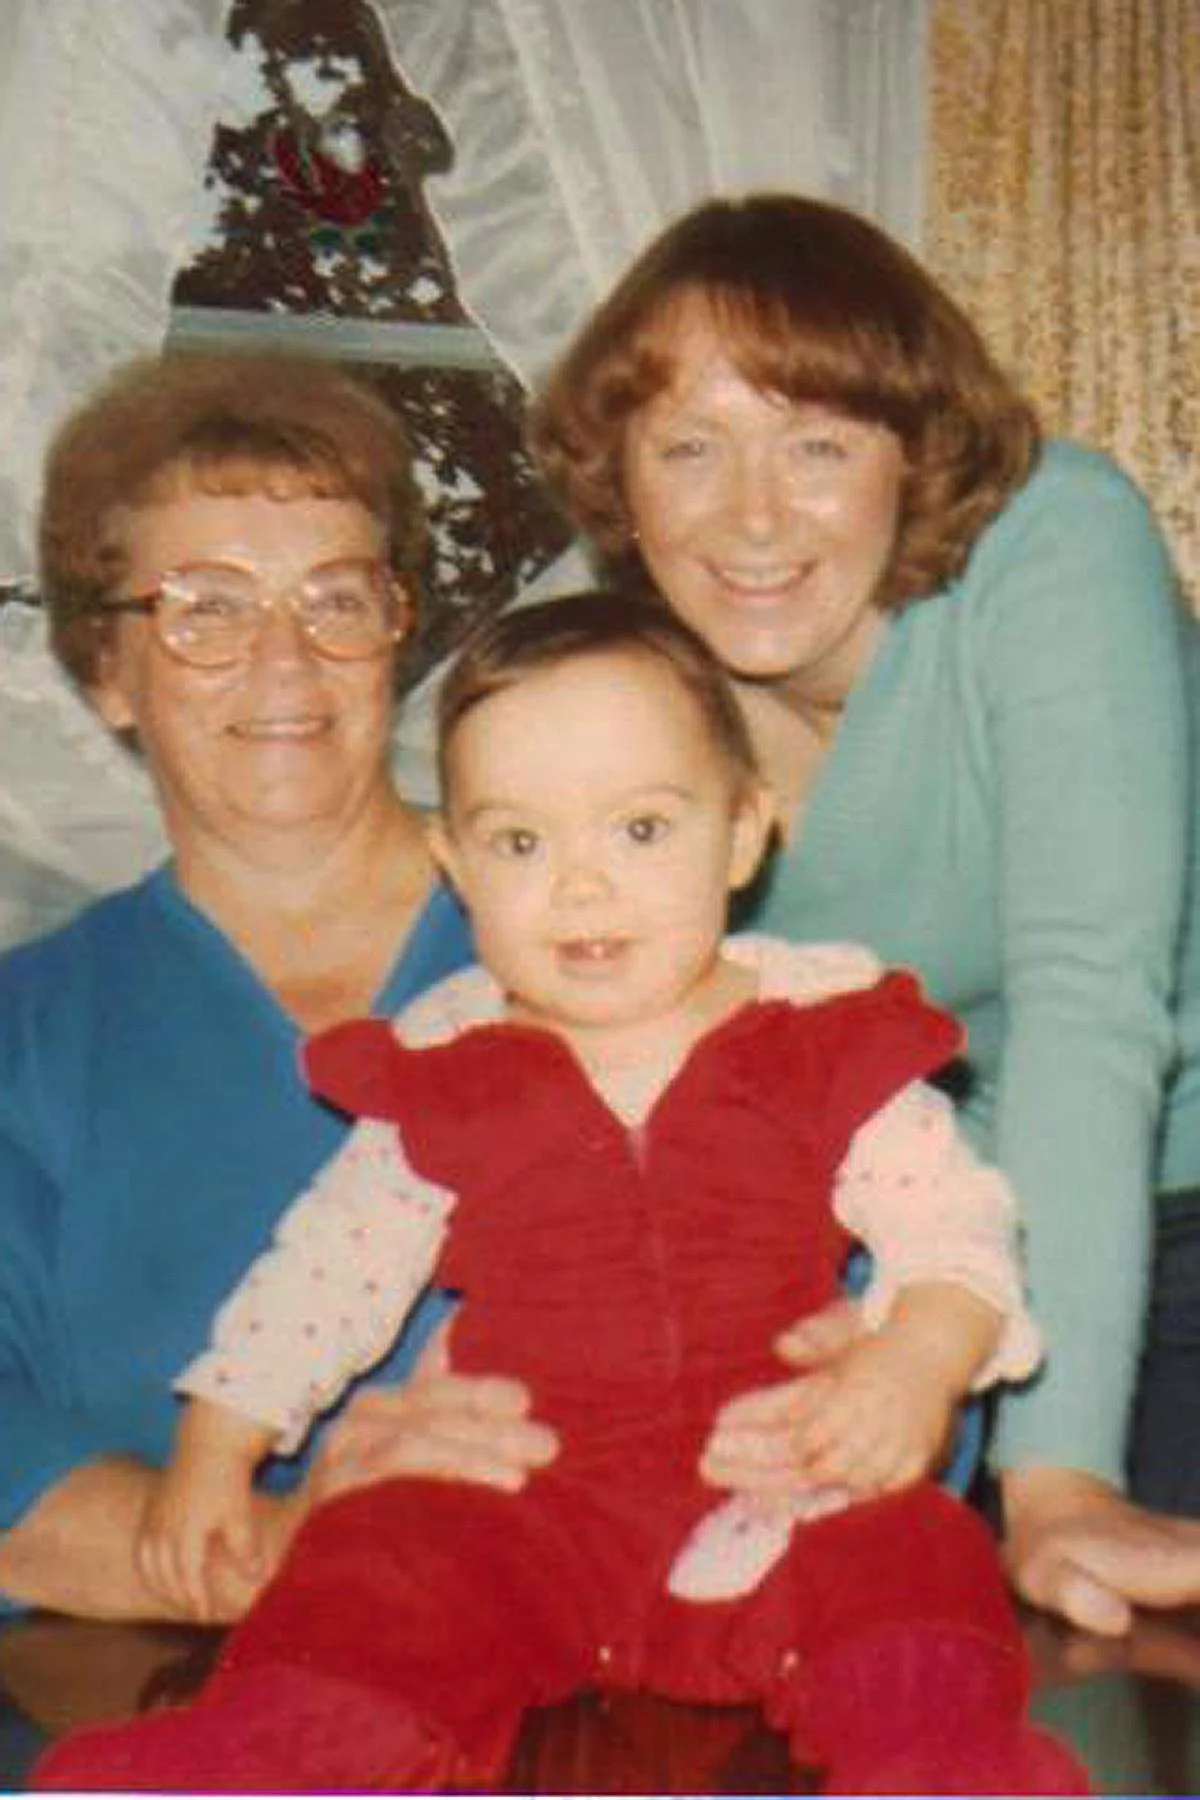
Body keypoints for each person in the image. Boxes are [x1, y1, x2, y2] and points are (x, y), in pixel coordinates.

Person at [34, 594, 1086, 1796]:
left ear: (745, 835)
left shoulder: (818, 1033)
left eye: (640, 830)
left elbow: (954, 1229)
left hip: (775, 1484)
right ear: (456, 862)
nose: (581, 888)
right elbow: (325, 1272)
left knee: (909, 1552)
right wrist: (217, 1448)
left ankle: (935, 1760)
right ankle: (278, 1749)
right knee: (378, 1560)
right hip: (520, 1503)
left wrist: (911, 1366)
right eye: (522, 844)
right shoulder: (451, 1068)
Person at [525, 192, 1200, 1637]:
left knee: (1100, 1640)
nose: (752, 516)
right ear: (621, 484)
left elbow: (1089, 1005)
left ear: (913, 455)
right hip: (943, 1234)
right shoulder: (647, 701)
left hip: (1175, 1192)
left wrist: (1056, 1471)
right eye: (690, 448)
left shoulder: (1052, 546)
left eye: (817, 444)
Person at [0, 349, 556, 1626]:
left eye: (335, 598)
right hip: (184, 1710)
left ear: (397, 628)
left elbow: (848, 1320)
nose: (284, 661)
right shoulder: (31, 1035)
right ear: (103, 666)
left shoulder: (600, 933)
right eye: (204, 606)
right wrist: (288, 1549)